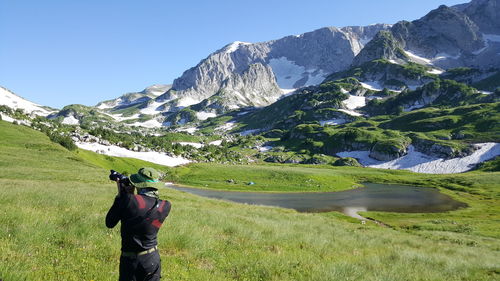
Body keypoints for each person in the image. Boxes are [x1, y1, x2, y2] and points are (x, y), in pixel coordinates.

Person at [106, 167, 171, 281]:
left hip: (131, 261)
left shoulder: (128, 201)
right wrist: (129, 196)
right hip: (152, 258)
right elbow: (145, 205)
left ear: (138, 184)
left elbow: (109, 223)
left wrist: (122, 194)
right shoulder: (165, 205)